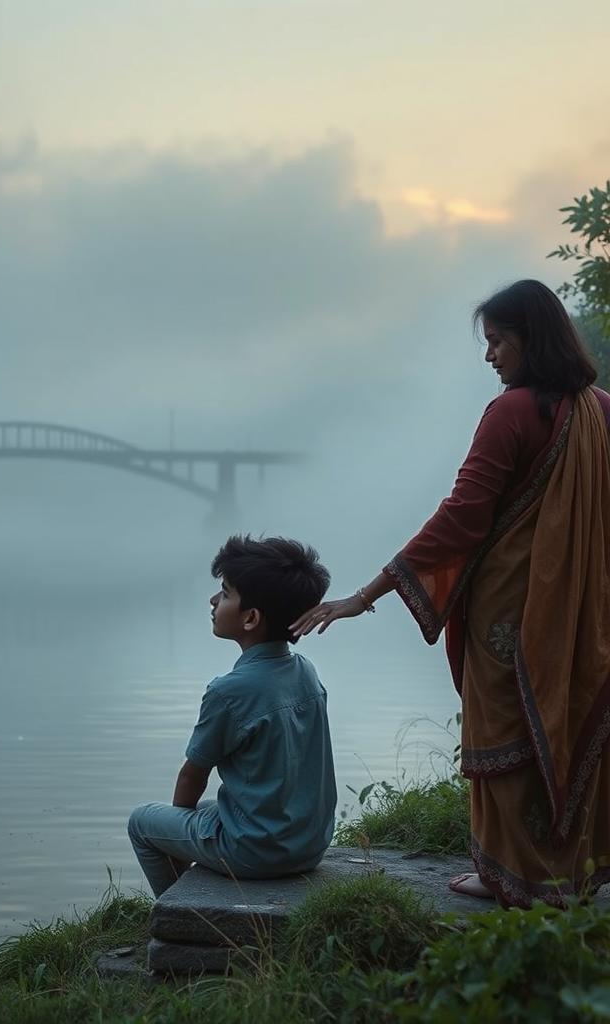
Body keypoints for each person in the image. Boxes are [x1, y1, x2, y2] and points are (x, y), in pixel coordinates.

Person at [291, 279, 610, 908]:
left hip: (511, 614)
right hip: (585, 611)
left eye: (497, 341)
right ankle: (570, 871)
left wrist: (367, 593)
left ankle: (509, 877)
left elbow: (463, 516)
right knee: (569, 717)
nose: (489, 355)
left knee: (506, 729)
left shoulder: (512, 412)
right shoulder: (603, 409)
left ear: (529, 338)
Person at [128, 535, 337, 897]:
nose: (213, 600)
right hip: (308, 846)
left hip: (256, 854)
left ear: (251, 618)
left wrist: (178, 830)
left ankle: (179, 906)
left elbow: (192, 775)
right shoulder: (305, 671)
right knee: (211, 809)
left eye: (225, 593)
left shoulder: (229, 692)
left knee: (143, 822)